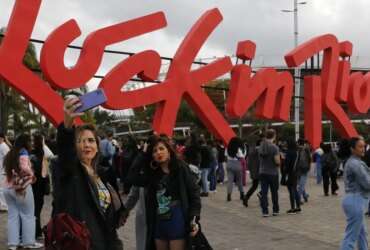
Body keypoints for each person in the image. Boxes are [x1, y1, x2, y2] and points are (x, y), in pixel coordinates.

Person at [55, 97, 125, 250]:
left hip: (105, 240)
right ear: (74, 146)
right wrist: (67, 124)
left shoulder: (103, 173)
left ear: (97, 146)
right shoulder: (72, 171)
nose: (86, 144)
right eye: (80, 140)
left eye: (91, 140)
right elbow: (65, 151)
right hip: (81, 242)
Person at [128, 135, 201, 250]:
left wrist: (194, 218)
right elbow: (132, 178)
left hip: (177, 220)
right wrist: (142, 154)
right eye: (154, 151)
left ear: (169, 150)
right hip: (159, 223)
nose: (158, 152)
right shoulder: (152, 174)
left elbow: (194, 194)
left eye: (161, 149)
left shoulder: (181, 168)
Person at [3, 134, 43, 249]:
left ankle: (13, 244)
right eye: (30, 141)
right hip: (22, 188)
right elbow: (25, 167)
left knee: (12, 216)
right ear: (25, 142)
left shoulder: (10, 153)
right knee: (28, 215)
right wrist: (32, 174)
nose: (31, 143)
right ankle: (28, 243)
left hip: (8, 188)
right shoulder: (24, 152)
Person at [340, 137, 370, 250]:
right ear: (352, 149)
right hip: (356, 200)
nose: (363, 149)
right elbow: (367, 183)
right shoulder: (355, 164)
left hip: (353, 199)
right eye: (360, 147)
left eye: (364, 146)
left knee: (362, 234)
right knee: (351, 237)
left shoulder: (355, 162)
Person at [30, 133, 50, 240]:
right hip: (40, 184)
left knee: (35, 208)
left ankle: (36, 231)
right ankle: (36, 232)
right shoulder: (42, 153)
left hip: (34, 184)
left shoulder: (32, 153)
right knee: (37, 208)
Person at [258, 129, 281, 217]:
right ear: (274, 136)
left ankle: (265, 211)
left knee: (264, 192)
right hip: (273, 172)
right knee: (274, 192)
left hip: (262, 171)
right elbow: (277, 161)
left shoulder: (261, 146)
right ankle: (275, 210)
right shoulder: (274, 147)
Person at [283, 139, 301, 214]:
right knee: (295, 189)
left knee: (291, 190)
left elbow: (287, 164)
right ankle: (298, 207)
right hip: (296, 172)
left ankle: (292, 208)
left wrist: (284, 173)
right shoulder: (297, 152)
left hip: (290, 173)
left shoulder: (289, 152)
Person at [226, 137, 245, 202]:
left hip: (229, 164)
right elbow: (242, 156)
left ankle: (229, 195)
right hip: (237, 164)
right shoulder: (239, 149)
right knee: (239, 180)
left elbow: (226, 156)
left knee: (230, 181)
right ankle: (242, 194)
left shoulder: (227, 148)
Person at [243, 140, 261, 207]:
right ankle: (261, 195)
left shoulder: (251, 151)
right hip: (260, 170)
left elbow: (248, 162)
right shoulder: (259, 151)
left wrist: (250, 169)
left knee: (254, 186)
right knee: (266, 184)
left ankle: (246, 197)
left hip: (253, 171)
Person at [296, 139, 312, 204]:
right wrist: (309, 166)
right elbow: (310, 158)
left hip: (297, 169)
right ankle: (298, 198)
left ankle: (305, 196)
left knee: (300, 183)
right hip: (304, 168)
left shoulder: (296, 149)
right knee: (301, 185)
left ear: (298, 143)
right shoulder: (306, 149)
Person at [0, 132, 10, 212]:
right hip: (2, 170)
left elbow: (8, 159)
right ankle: (2, 205)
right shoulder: (2, 146)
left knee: (2, 189)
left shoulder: (3, 146)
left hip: (3, 171)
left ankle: (4, 206)